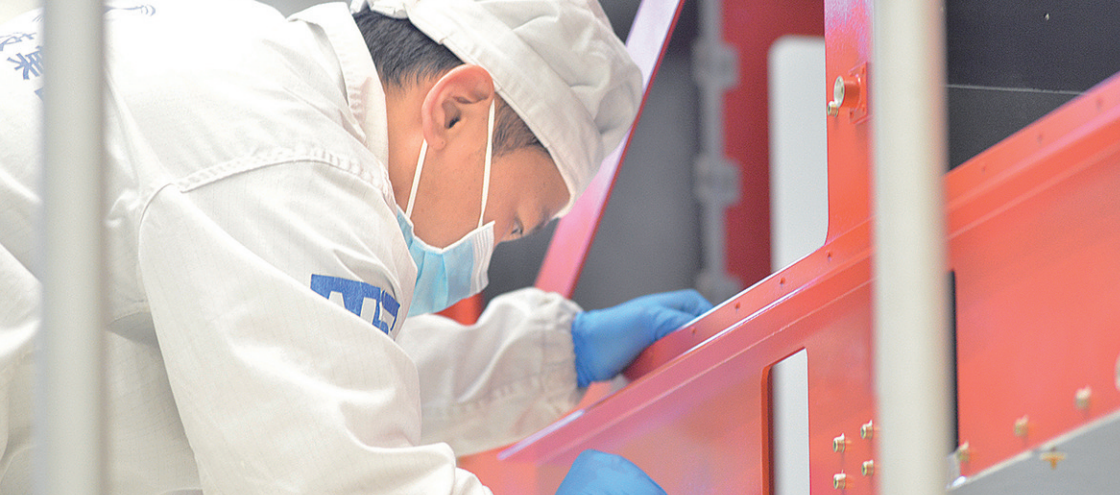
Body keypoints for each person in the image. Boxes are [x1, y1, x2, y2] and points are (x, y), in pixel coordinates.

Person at [0, 0, 712, 493]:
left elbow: (311, 361)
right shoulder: (289, 161)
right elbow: (325, 473)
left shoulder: (246, 67)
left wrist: (552, 355)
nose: (485, 254)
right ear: (453, 109)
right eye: (512, 222)